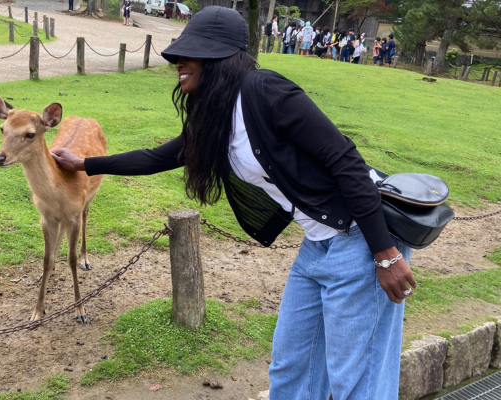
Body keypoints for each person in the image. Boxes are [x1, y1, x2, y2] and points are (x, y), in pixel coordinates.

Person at [50, 6, 416, 400]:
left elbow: (345, 160)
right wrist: (85, 163)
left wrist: (386, 254)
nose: (178, 63)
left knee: (356, 378)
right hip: (317, 245)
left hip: (361, 239)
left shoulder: (265, 90)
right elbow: (158, 157)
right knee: (292, 368)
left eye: (190, 54)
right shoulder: (216, 116)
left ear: (219, 59)